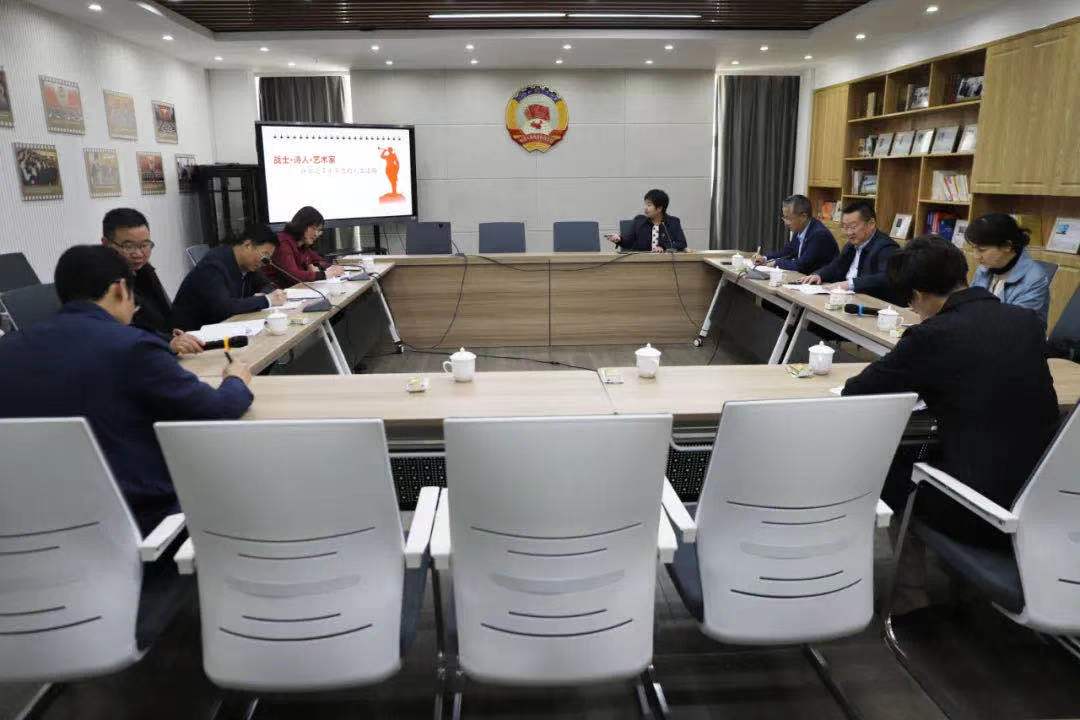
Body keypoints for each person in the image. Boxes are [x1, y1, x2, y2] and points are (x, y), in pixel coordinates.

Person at [842, 236, 1059, 611]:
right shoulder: (1024, 321)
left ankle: (910, 594)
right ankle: (962, 581)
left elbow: (857, 392)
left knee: (892, 464)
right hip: (1043, 498)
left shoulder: (932, 335)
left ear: (918, 295)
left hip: (982, 511)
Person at [0, 245, 255, 534]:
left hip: (29, 528)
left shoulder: (8, 350)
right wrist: (236, 380)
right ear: (120, 289)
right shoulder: (133, 347)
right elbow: (215, 411)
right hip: (139, 526)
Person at [100, 208, 203, 355]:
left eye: (144, 245)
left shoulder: (145, 270)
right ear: (105, 244)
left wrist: (174, 334)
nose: (138, 254)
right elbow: (121, 333)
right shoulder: (103, 282)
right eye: (128, 246)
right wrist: (166, 342)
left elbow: (166, 315)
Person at [171, 224, 286, 331]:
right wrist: (266, 300)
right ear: (248, 245)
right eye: (265, 255)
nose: (265, 262)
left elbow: (268, 285)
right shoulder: (213, 265)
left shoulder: (248, 265)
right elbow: (224, 308)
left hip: (225, 327)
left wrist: (265, 295)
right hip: (192, 335)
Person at [802, 201, 901, 304]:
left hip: (871, 304)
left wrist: (849, 284)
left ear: (871, 224)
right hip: (846, 298)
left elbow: (885, 278)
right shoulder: (851, 245)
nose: (849, 233)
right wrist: (819, 275)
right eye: (845, 227)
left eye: (853, 227)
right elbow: (836, 266)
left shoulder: (886, 247)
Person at [967, 213, 1052, 328]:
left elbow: (1012, 325)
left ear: (1007, 246)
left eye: (982, 250)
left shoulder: (1035, 279)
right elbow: (970, 306)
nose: (976, 256)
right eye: (973, 248)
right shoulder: (985, 268)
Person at [751, 194, 838, 274]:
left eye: (788, 218)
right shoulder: (799, 229)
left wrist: (775, 263)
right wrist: (764, 258)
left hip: (824, 282)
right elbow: (787, 251)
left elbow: (801, 265)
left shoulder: (819, 234)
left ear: (803, 217)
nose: (785, 223)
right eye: (784, 217)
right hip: (805, 277)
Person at [265, 206, 345, 287]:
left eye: (319, 230)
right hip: (279, 291)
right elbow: (293, 275)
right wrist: (324, 274)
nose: (316, 234)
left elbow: (319, 261)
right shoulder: (283, 243)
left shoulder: (302, 244)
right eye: (314, 228)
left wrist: (326, 268)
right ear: (302, 225)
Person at [605, 189, 688, 253]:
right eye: (645, 204)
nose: (645, 208)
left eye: (649, 205)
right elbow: (629, 243)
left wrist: (663, 247)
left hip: (665, 263)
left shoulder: (673, 222)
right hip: (642, 264)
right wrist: (619, 239)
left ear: (659, 208)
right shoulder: (639, 221)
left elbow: (682, 243)